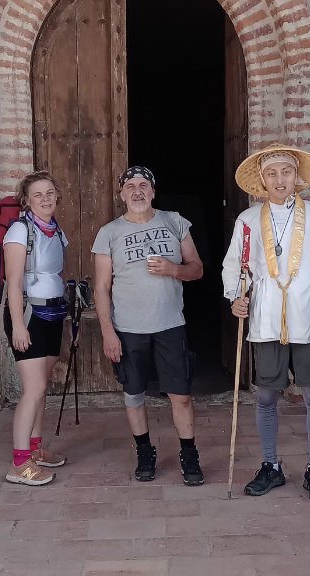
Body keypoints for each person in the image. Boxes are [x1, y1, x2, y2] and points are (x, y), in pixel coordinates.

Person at [222, 143, 310, 501]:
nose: (279, 179)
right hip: (264, 318)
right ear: (261, 180)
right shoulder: (248, 220)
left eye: (285, 172)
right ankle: (271, 466)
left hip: (307, 318)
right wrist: (236, 297)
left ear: (297, 177)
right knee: (266, 396)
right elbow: (235, 264)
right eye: (271, 173)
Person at [92, 165, 205, 485]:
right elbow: (101, 287)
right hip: (127, 328)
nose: (137, 191)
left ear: (153, 191)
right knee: (134, 393)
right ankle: (144, 450)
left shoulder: (174, 221)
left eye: (143, 185)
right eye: (130, 186)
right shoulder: (109, 232)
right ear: (121, 195)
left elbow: (197, 269)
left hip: (170, 324)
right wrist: (108, 332)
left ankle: (188, 453)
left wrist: (174, 269)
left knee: (181, 395)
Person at [3, 171, 69, 486]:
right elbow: (14, 283)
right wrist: (18, 326)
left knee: (42, 388)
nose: (45, 199)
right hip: (29, 315)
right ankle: (19, 464)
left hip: (54, 313)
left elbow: (57, 275)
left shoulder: (55, 231)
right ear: (27, 201)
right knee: (34, 390)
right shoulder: (19, 230)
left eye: (49, 193)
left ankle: (36, 449)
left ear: (57, 197)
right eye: (37, 195)